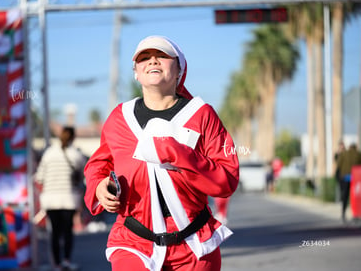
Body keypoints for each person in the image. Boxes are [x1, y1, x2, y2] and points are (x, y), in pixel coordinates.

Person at [84, 35, 239, 271]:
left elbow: (226, 179)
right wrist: (98, 186)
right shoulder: (119, 117)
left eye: (162, 56)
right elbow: (98, 164)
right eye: (144, 58)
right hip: (133, 241)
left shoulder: (202, 114)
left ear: (179, 69)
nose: (153, 61)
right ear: (136, 72)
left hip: (194, 244)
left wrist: (178, 152)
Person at [35, 126, 85, 270]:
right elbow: (81, 178)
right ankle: (67, 261)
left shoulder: (48, 154)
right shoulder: (76, 155)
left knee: (55, 233)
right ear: (73, 137)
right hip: (69, 199)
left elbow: (39, 178)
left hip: (50, 200)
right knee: (68, 231)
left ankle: (56, 264)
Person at [336, 143, 361, 223]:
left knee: (345, 195)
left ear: (349, 147)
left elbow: (338, 164)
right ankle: (356, 215)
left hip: (346, 177)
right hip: (355, 178)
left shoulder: (344, 154)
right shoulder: (358, 154)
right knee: (356, 196)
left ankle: (343, 214)